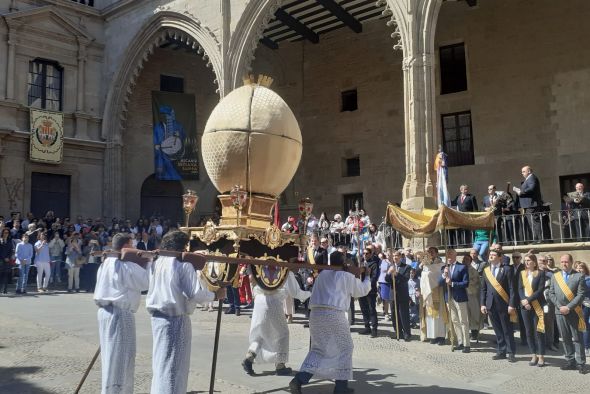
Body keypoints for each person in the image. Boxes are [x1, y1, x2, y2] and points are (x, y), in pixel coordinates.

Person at [146, 231, 222, 394]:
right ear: (185, 246)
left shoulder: (156, 262)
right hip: (175, 320)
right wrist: (215, 294)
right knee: (174, 367)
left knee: (161, 363)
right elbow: (195, 294)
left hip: (158, 318)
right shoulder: (182, 264)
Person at [289, 251, 371, 394]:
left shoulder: (322, 274)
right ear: (343, 262)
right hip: (334, 313)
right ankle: (341, 387)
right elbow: (361, 291)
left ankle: (299, 380)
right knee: (345, 348)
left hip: (315, 313)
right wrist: (367, 276)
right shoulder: (346, 275)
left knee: (318, 350)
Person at [94, 233, 150, 394]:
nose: (134, 249)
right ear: (126, 246)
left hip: (105, 313)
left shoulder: (105, 262)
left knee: (110, 357)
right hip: (120, 315)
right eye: (132, 245)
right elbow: (145, 282)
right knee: (120, 359)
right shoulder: (125, 264)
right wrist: (149, 261)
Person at [242, 270, 310, 376]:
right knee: (282, 334)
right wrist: (310, 293)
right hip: (273, 302)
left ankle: (249, 358)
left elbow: (252, 279)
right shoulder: (285, 270)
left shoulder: (261, 265)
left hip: (259, 301)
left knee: (260, 333)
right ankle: (280, 365)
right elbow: (295, 292)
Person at [547, 254, 587, 373]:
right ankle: (570, 360)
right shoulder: (555, 276)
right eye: (562, 262)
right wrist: (560, 307)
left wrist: (569, 307)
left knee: (577, 338)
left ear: (571, 262)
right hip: (559, 312)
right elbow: (551, 293)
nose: (564, 264)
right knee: (565, 337)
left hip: (574, 311)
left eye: (566, 262)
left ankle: (580, 363)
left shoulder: (579, 276)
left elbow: (581, 294)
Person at [481, 248, 517, 362]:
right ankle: (501, 351)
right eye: (490, 255)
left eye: (493, 255)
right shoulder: (486, 270)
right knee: (497, 330)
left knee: (507, 329)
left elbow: (512, 288)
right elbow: (483, 289)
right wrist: (482, 304)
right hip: (490, 305)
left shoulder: (506, 269)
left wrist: (511, 304)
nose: (491, 256)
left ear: (500, 257)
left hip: (504, 305)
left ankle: (511, 352)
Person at [518, 254, 547, 367]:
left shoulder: (540, 273)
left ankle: (541, 356)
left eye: (529, 260)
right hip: (525, 306)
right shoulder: (522, 273)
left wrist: (528, 300)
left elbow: (540, 290)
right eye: (525, 260)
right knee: (528, 331)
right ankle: (533, 354)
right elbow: (520, 289)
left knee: (539, 331)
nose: (527, 262)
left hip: (536, 305)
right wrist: (523, 301)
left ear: (534, 262)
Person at [440, 249, 470, 353]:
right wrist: (444, 275)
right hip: (449, 297)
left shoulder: (462, 267)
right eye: (447, 254)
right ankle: (460, 342)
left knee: (463, 321)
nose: (448, 255)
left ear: (455, 255)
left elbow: (466, 283)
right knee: (454, 320)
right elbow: (440, 282)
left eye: (451, 253)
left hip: (460, 297)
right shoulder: (444, 268)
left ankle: (467, 344)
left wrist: (452, 284)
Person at [419, 247, 447, 345]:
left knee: (439, 315)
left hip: (438, 291)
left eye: (432, 252)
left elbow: (438, 275)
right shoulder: (425, 265)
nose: (430, 254)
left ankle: (441, 336)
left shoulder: (441, 264)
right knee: (429, 315)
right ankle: (432, 336)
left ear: (436, 253)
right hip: (428, 292)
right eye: (428, 252)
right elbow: (422, 276)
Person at [386, 250, 412, 341]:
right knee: (394, 314)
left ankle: (407, 333)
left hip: (402, 293)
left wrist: (396, 273)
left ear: (401, 257)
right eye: (393, 256)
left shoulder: (406, 267)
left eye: (396, 256)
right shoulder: (391, 266)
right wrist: (389, 273)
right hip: (393, 294)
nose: (395, 257)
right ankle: (398, 332)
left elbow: (405, 279)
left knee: (403, 314)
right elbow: (387, 280)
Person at [514, 166, 543, 243]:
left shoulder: (532, 178)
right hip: (528, 205)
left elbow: (531, 188)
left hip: (531, 204)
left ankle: (538, 239)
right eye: (522, 171)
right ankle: (536, 239)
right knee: (532, 222)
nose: (522, 173)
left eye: (523, 171)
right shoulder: (528, 179)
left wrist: (521, 192)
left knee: (534, 222)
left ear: (529, 171)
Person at [359, 247, 380, 337]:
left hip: (370, 290)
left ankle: (374, 329)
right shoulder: (360, 263)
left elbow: (374, 277)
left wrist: (366, 285)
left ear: (371, 254)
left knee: (372, 309)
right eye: (364, 253)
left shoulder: (374, 264)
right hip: (361, 289)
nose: (365, 255)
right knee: (364, 309)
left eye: (367, 253)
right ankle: (367, 326)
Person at [463, 254, 483, 341]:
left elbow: (475, 282)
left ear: (470, 261)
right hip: (463, 295)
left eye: (467, 259)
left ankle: (475, 332)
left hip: (472, 294)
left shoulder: (473, 271)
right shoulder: (461, 269)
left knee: (474, 313)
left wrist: (463, 283)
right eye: (464, 259)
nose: (464, 261)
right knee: (465, 314)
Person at [573, 261, 590, 357]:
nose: (579, 270)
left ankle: (586, 347)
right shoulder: (574, 278)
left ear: (585, 269)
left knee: (584, 326)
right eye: (577, 268)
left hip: (585, 305)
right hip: (575, 305)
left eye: (581, 268)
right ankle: (580, 346)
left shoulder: (587, 279)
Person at [0, 228, 13, 294]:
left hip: (7, 260)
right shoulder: (0, 240)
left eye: (7, 233)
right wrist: (3, 257)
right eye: (5, 233)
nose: (6, 234)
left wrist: (8, 257)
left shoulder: (9, 241)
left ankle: (5, 290)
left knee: (6, 275)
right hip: (1, 260)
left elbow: (11, 251)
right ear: (2, 233)